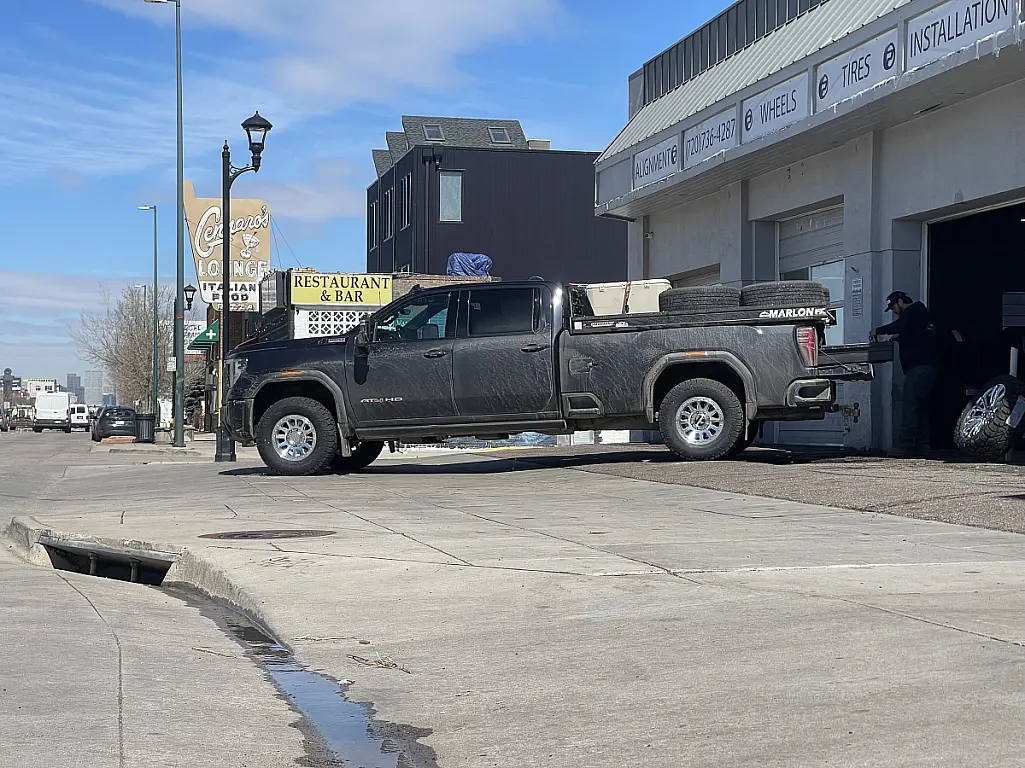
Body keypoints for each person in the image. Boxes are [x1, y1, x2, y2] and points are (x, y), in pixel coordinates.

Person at [871, 291, 939, 457]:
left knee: (909, 406)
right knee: (920, 407)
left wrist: (877, 330)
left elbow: (901, 325)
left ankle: (905, 446)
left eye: (894, 307)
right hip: (927, 366)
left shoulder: (913, 311)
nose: (894, 311)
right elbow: (913, 333)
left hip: (919, 368)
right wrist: (898, 338)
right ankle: (923, 445)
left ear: (900, 302)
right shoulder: (919, 315)